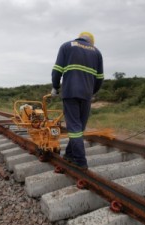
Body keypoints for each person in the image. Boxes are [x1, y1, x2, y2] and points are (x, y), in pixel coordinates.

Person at [51, 32, 104, 170]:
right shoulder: (96, 52)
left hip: (70, 93)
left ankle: (80, 161)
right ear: (91, 42)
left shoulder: (66, 46)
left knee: (74, 129)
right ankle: (69, 154)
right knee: (79, 128)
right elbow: (100, 78)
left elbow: (57, 71)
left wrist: (55, 87)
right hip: (86, 95)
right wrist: (91, 92)